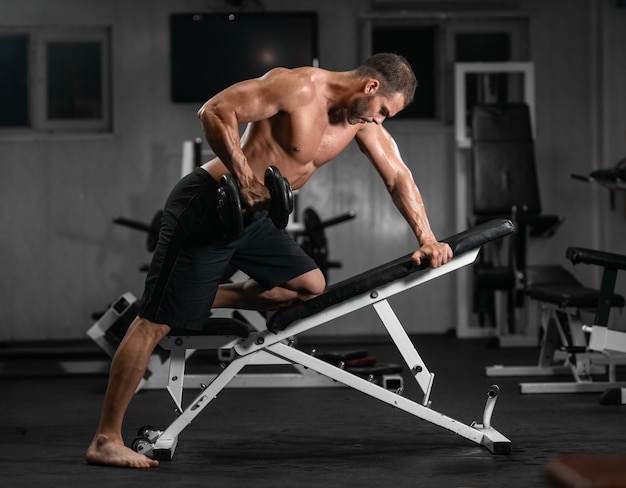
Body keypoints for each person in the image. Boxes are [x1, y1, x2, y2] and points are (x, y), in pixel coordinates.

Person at [85, 53, 453, 469]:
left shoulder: (359, 122)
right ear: (370, 87)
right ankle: (106, 439)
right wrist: (243, 177)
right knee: (155, 322)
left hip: (254, 219)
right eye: (383, 111)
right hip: (210, 202)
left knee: (308, 287)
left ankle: (203, 298)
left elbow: (397, 175)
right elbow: (215, 110)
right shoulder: (297, 87)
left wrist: (426, 237)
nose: (380, 122)